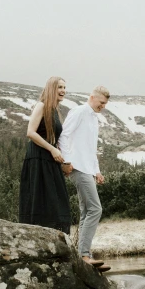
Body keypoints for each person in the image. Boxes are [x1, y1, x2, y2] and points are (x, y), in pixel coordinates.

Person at [59, 85, 111, 272]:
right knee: (95, 209)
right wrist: (66, 161)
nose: (103, 106)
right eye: (101, 103)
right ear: (92, 97)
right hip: (77, 166)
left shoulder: (94, 119)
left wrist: (96, 171)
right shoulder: (79, 111)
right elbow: (64, 136)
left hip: (87, 168)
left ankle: (81, 254)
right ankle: (84, 255)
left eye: (105, 104)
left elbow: (90, 148)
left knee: (86, 211)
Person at [18, 76, 71, 234]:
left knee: (57, 201)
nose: (63, 91)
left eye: (64, 88)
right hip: (38, 158)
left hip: (50, 159)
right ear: (51, 89)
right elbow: (30, 132)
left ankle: (57, 242)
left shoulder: (54, 110)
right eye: (59, 87)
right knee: (40, 201)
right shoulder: (41, 106)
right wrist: (52, 149)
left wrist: (64, 161)